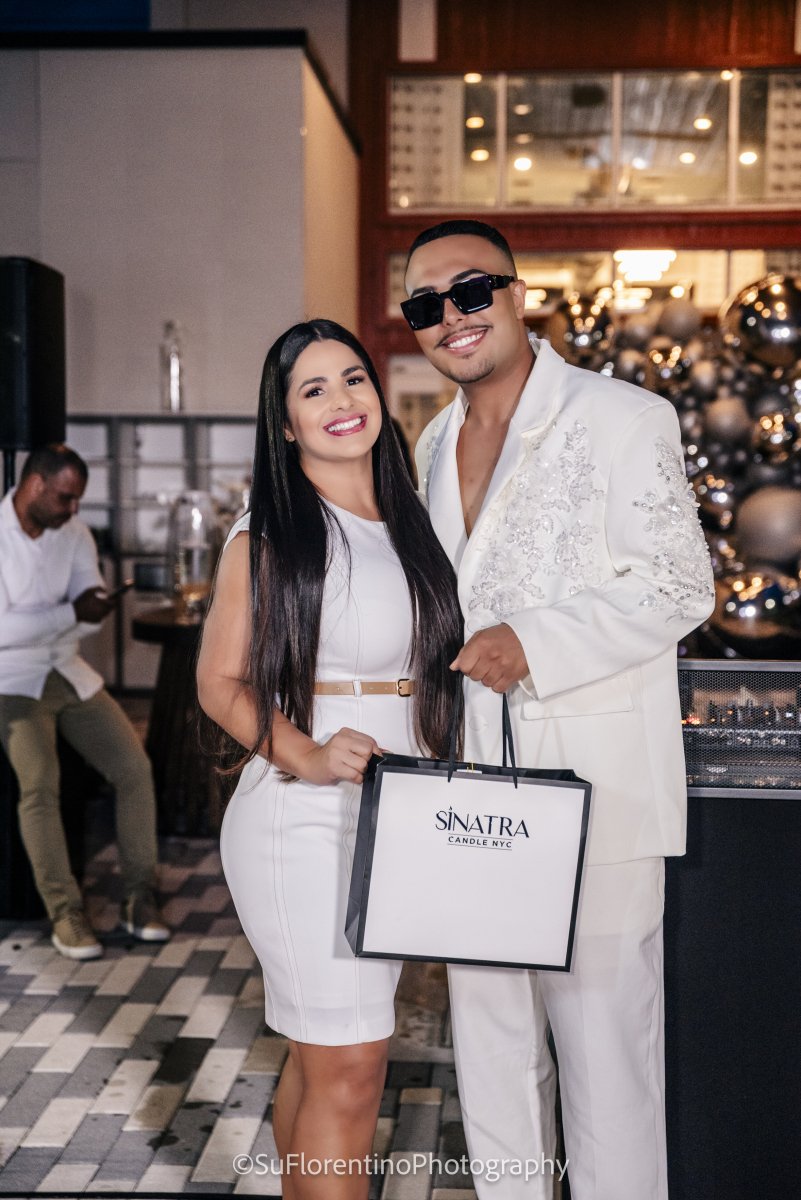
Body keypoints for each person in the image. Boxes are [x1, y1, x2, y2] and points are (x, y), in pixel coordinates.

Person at [404, 220, 715, 1200]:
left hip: (598, 802)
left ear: (517, 293)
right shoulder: (429, 441)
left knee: (607, 1069)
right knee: (490, 1057)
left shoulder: (623, 416)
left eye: (470, 290)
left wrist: (534, 642)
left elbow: (680, 585)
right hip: (469, 806)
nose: (450, 317)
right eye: (423, 305)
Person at [196, 318, 462, 1200]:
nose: (342, 401)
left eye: (353, 379)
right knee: (349, 1064)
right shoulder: (269, 534)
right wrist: (305, 754)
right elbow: (220, 681)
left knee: (330, 1057)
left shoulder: (414, 519)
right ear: (284, 422)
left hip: (397, 816)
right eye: (313, 390)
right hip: (303, 817)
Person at [0, 444, 169, 960]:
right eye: (65, 498)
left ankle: (140, 899)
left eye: (77, 500)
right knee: (39, 784)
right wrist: (67, 614)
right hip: (11, 681)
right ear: (35, 485)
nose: (74, 509)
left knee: (134, 769)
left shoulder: (73, 534)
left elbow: (91, 614)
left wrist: (77, 614)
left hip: (68, 670)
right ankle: (65, 913)